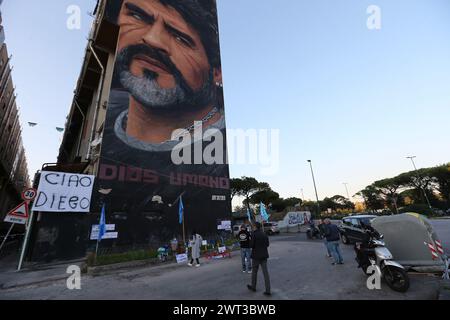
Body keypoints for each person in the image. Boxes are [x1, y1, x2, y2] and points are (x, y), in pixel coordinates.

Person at [247, 222, 271, 296]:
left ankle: (253, 287)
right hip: (264, 255)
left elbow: (251, 245)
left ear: (255, 227)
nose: (252, 227)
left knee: (254, 272)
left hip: (256, 256)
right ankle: (268, 290)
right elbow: (267, 244)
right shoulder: (264, 233)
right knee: (265, 273)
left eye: (253, 226)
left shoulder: (253, 234)